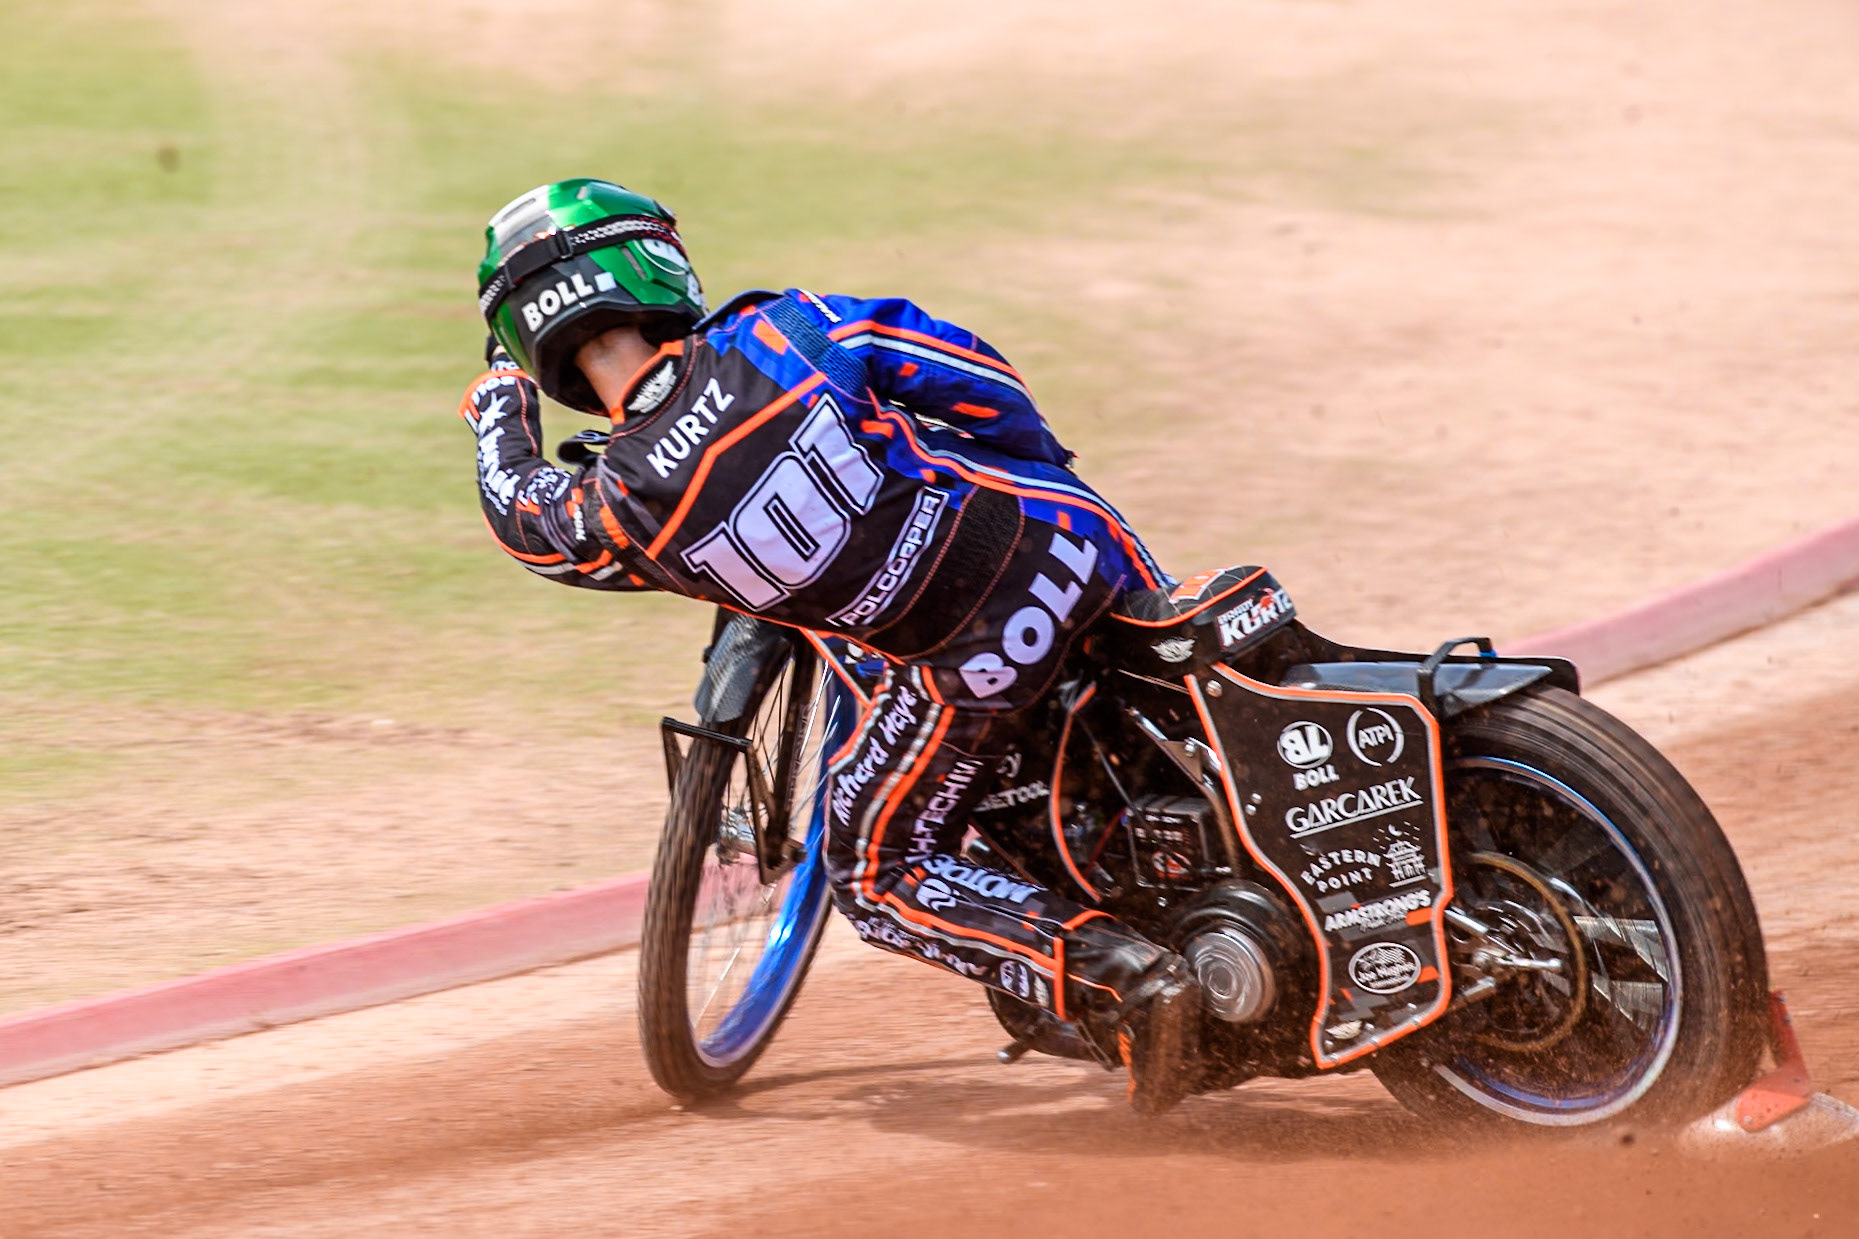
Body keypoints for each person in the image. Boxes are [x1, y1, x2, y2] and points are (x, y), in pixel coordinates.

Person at [460, 178, 1202, 1112]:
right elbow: (964, 372)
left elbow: (517, 511)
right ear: (644, 263)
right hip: (1072, 541)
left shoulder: (615, 507)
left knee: (875, 872)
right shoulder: (780, 334)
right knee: (1183, 682)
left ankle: (1123, 976)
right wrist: (1032, 467)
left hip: (967, 661)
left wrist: (497, 403)